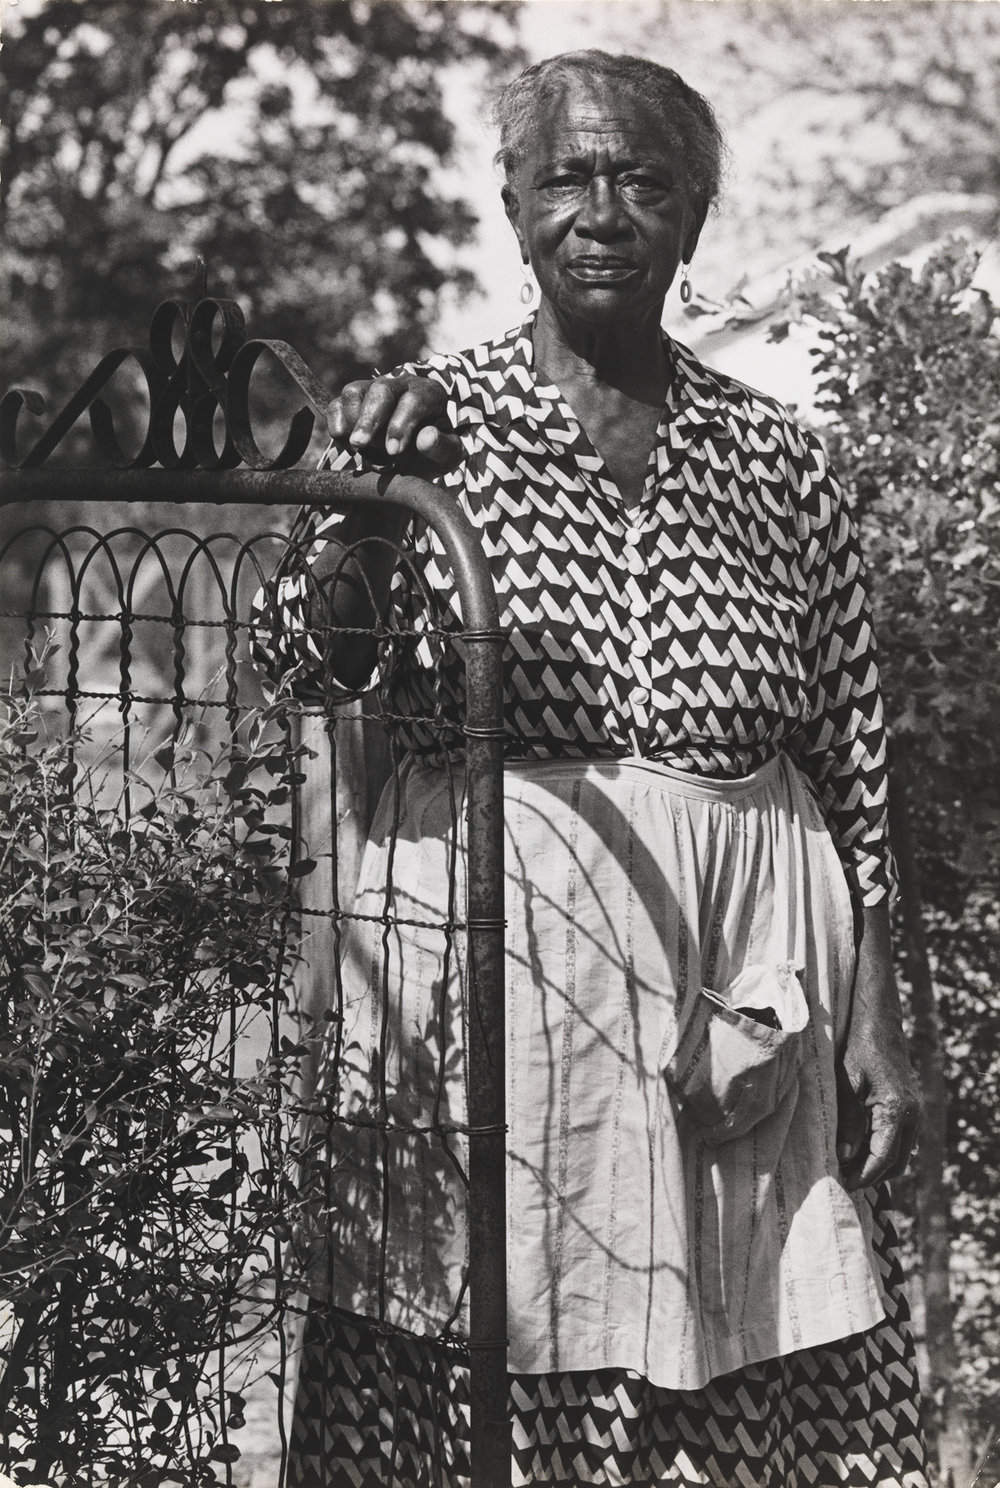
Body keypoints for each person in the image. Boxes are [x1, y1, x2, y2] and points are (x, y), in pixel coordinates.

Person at [266, 49, 928, 1488]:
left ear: (694, 219)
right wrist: (374, 513)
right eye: (568, 175)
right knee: (483, 1313)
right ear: (513, 208)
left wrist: (880, 1017)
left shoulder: (778, 460)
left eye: (644, 179)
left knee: (747, 1338)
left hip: (742, 964)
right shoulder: (425, 424)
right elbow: (313, 668)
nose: (604, 209)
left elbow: (854, 751)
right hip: (503, 955)